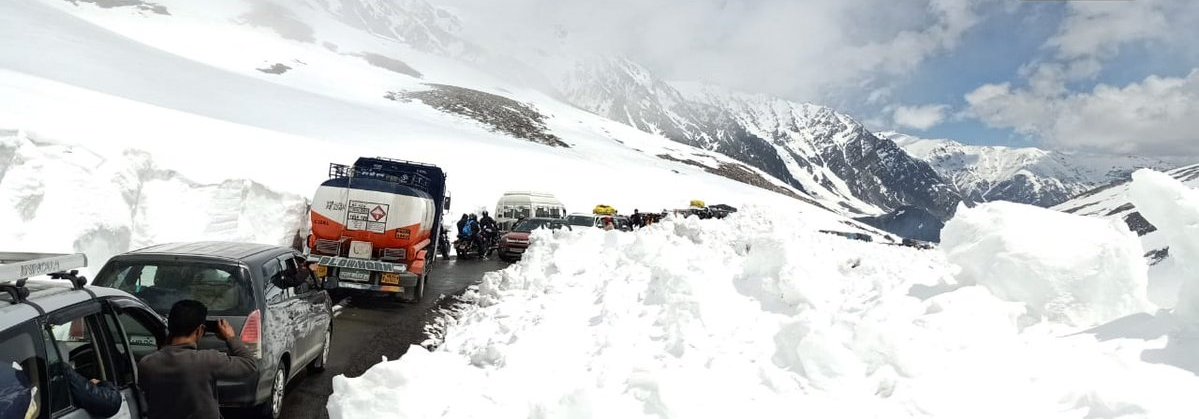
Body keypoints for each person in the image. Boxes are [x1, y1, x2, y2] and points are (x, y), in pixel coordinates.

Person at [138, 300, 257, 419]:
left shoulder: (147, 364)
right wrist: (231, 338)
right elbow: (249, 365)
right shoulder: (208, 360)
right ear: (200, 330)